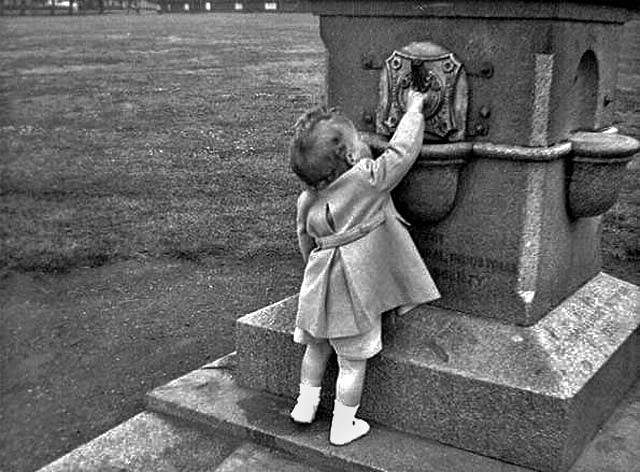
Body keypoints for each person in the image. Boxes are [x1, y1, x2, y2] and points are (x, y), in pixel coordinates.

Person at [288, 88, 441, 446]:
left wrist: (314, 274)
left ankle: (305, 404)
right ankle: (344, 424)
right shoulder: (368, 181)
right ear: (351, 155)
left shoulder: (307, 200)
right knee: (352, 363)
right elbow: (402, 152)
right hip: (356, 292)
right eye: (358, 144)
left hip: (318, 285)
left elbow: (304, 242)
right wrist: (414, 109)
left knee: (316, 348)